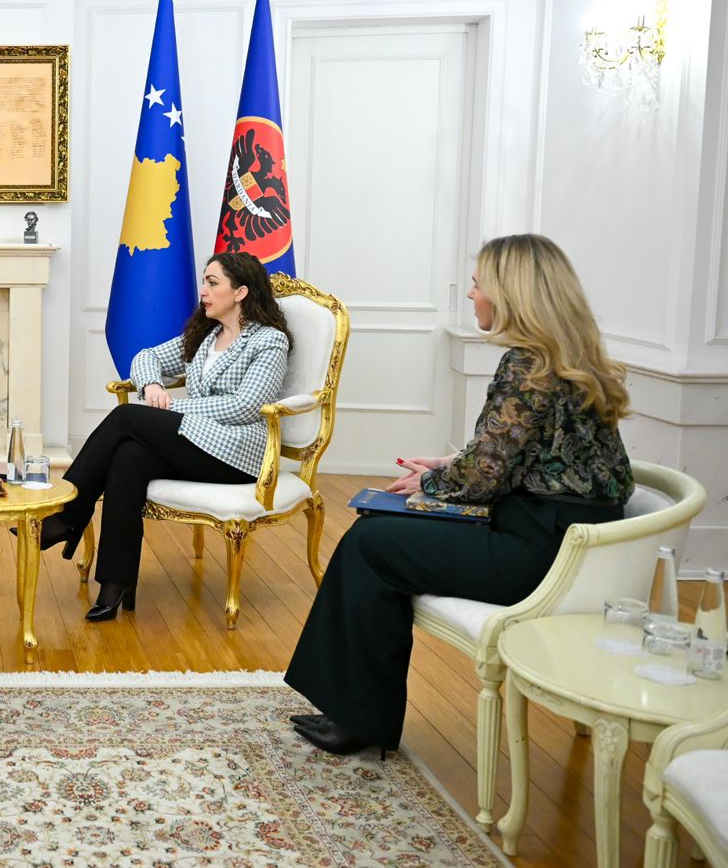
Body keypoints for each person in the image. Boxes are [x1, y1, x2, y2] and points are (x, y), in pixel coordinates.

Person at [286, 234, 634, 756]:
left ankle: (358, 717)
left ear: (511, 292)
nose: (471, 294)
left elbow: (483, 479)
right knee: (378, 533)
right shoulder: (568, 359)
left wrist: (430, 482)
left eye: (478, 284)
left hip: (541, 552)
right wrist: (448, 466)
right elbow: (534, 459)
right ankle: (357, 712)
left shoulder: (527, 366)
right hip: (569, 542)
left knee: (370, 543)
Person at [44, 251, 292, 621]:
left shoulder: (269, 342)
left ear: (240, 292)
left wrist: (173, 407)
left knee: (127, 416)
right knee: (129, 457)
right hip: (197, 441)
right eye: (204, 282)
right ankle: (114, 586)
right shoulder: (206, 335)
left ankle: (68, 515)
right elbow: (145, 357)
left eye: (213, 283)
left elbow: (245, 406)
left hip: (237, 455)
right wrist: (153, 385)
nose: (203, 291)